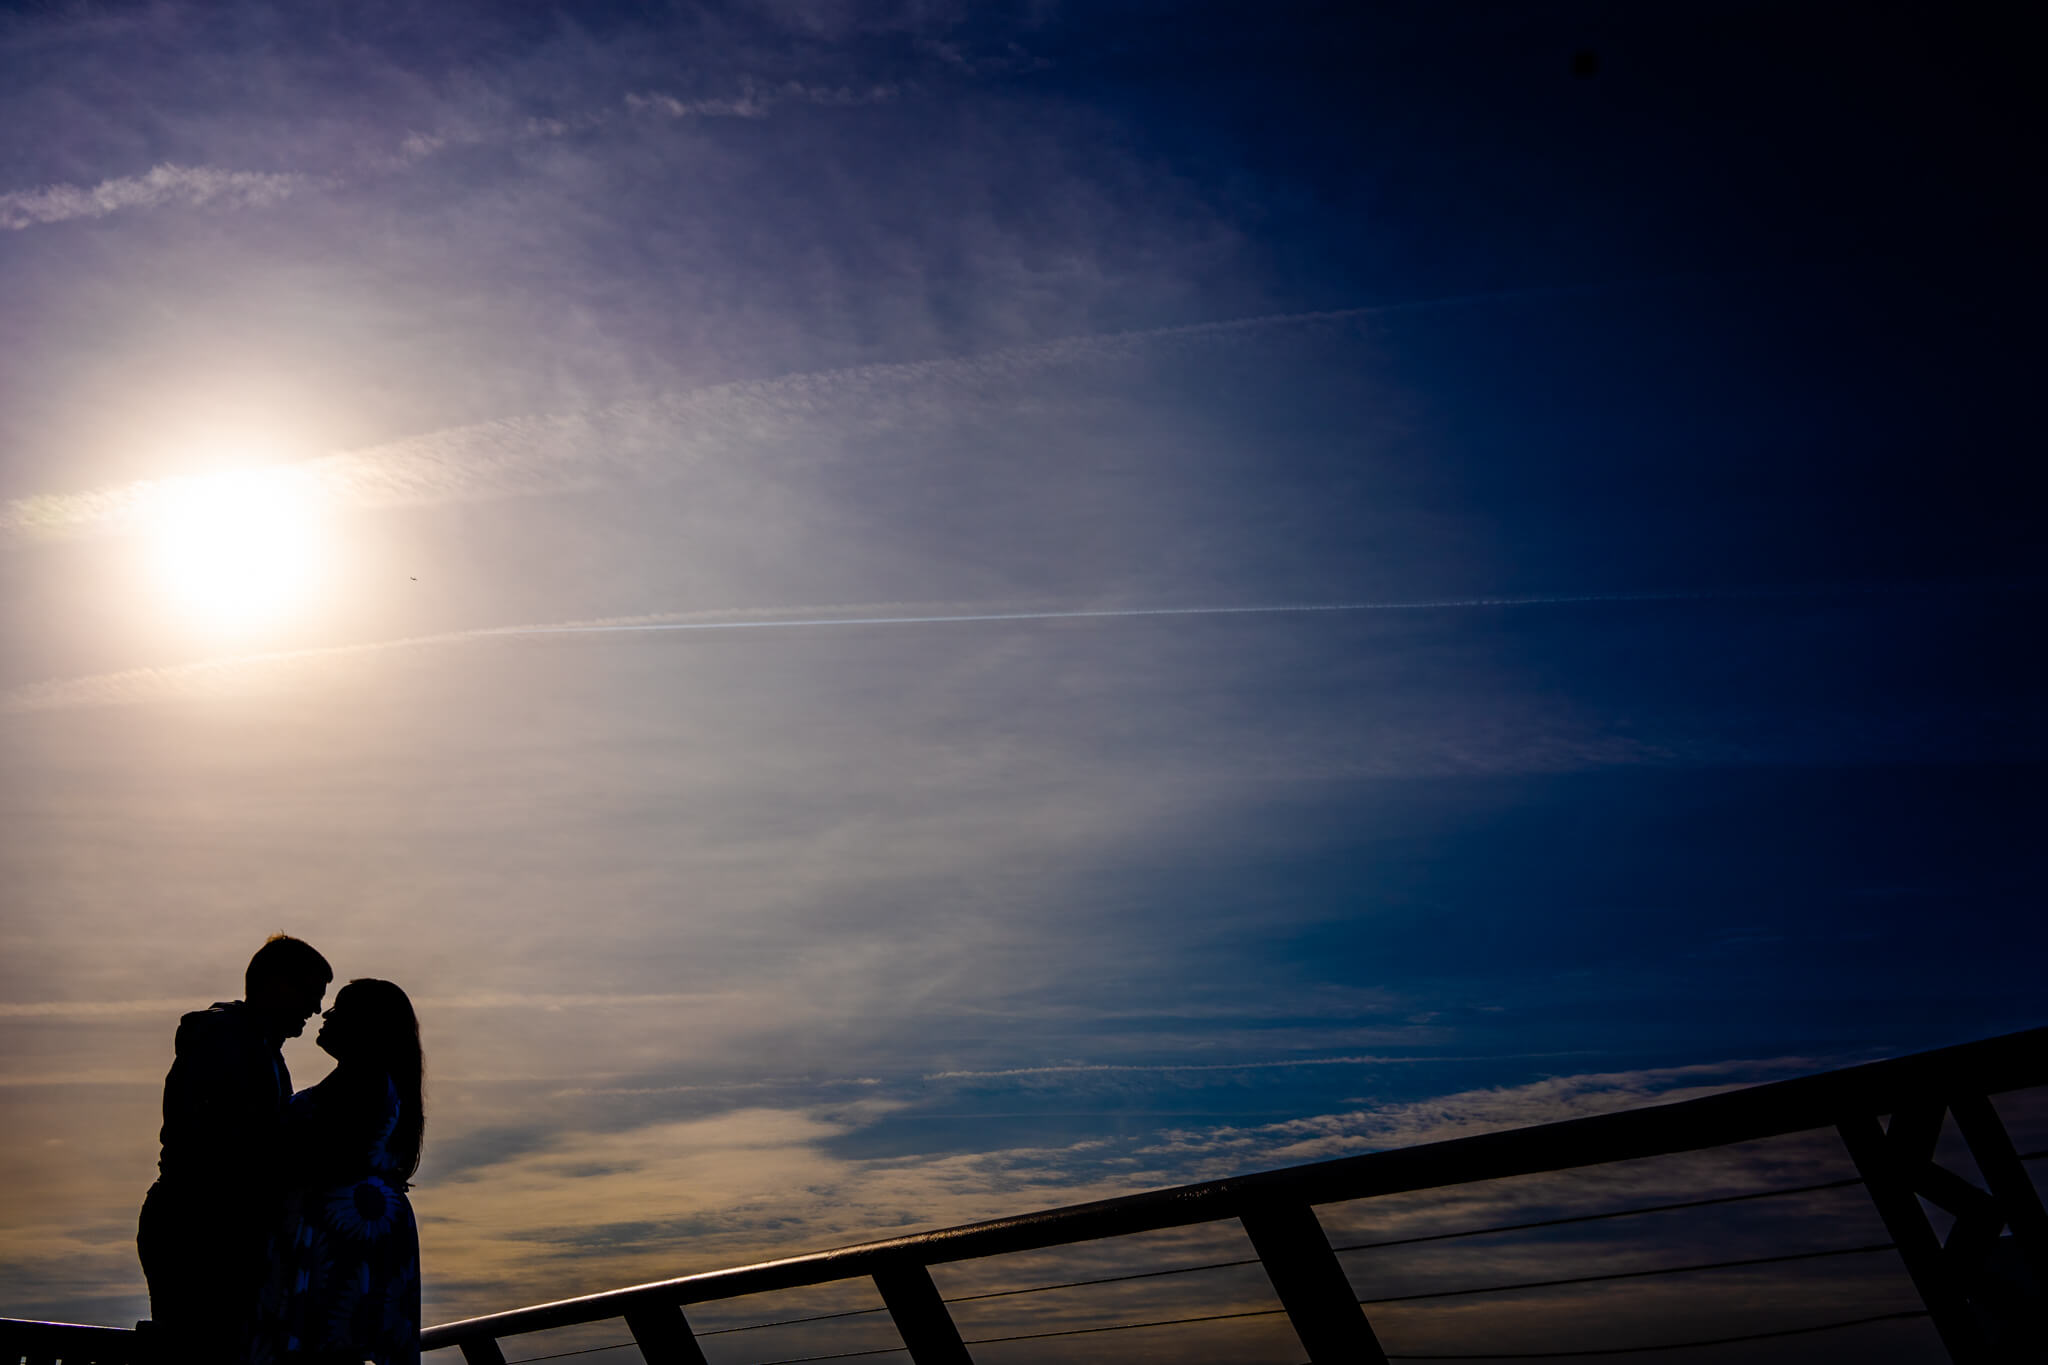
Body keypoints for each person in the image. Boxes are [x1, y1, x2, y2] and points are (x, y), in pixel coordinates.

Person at [139, 935, 333, 1365]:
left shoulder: (255, 1049)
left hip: (207, 1231)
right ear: (277, 984)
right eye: (310, 993)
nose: (316, 1009)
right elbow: (231, 1149)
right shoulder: (228, 1041)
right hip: (202, 1236)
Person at [253, 978, 424, 1365]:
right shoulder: (367, 1083)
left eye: (339, 1009)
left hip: (344, 1240)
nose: (325, 1015)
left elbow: (313, 1156)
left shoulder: (363, 1083)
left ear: (365, 1025)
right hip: (356, 1234)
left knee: (334, 1344)